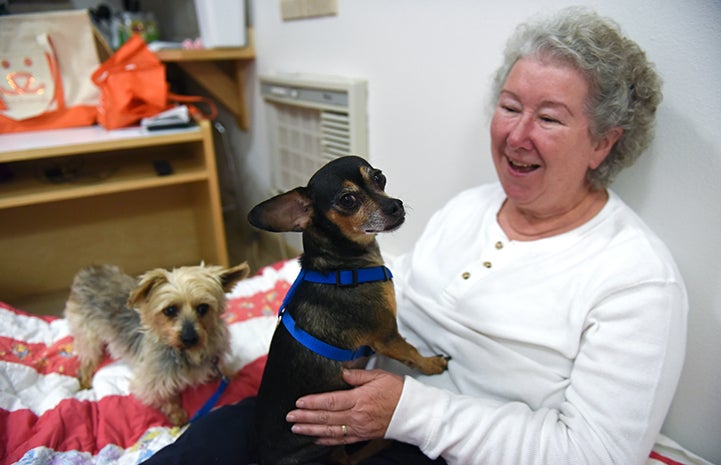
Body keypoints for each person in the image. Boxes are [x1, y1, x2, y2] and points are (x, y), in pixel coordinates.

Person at [143, 7, 687, 465]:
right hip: (327, 403)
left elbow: (598, 455)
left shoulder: (637, 282)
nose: (517, 135)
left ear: (603, 143)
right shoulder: (468, 208)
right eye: (510, 106)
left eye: (549, 118)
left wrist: (408, 412)